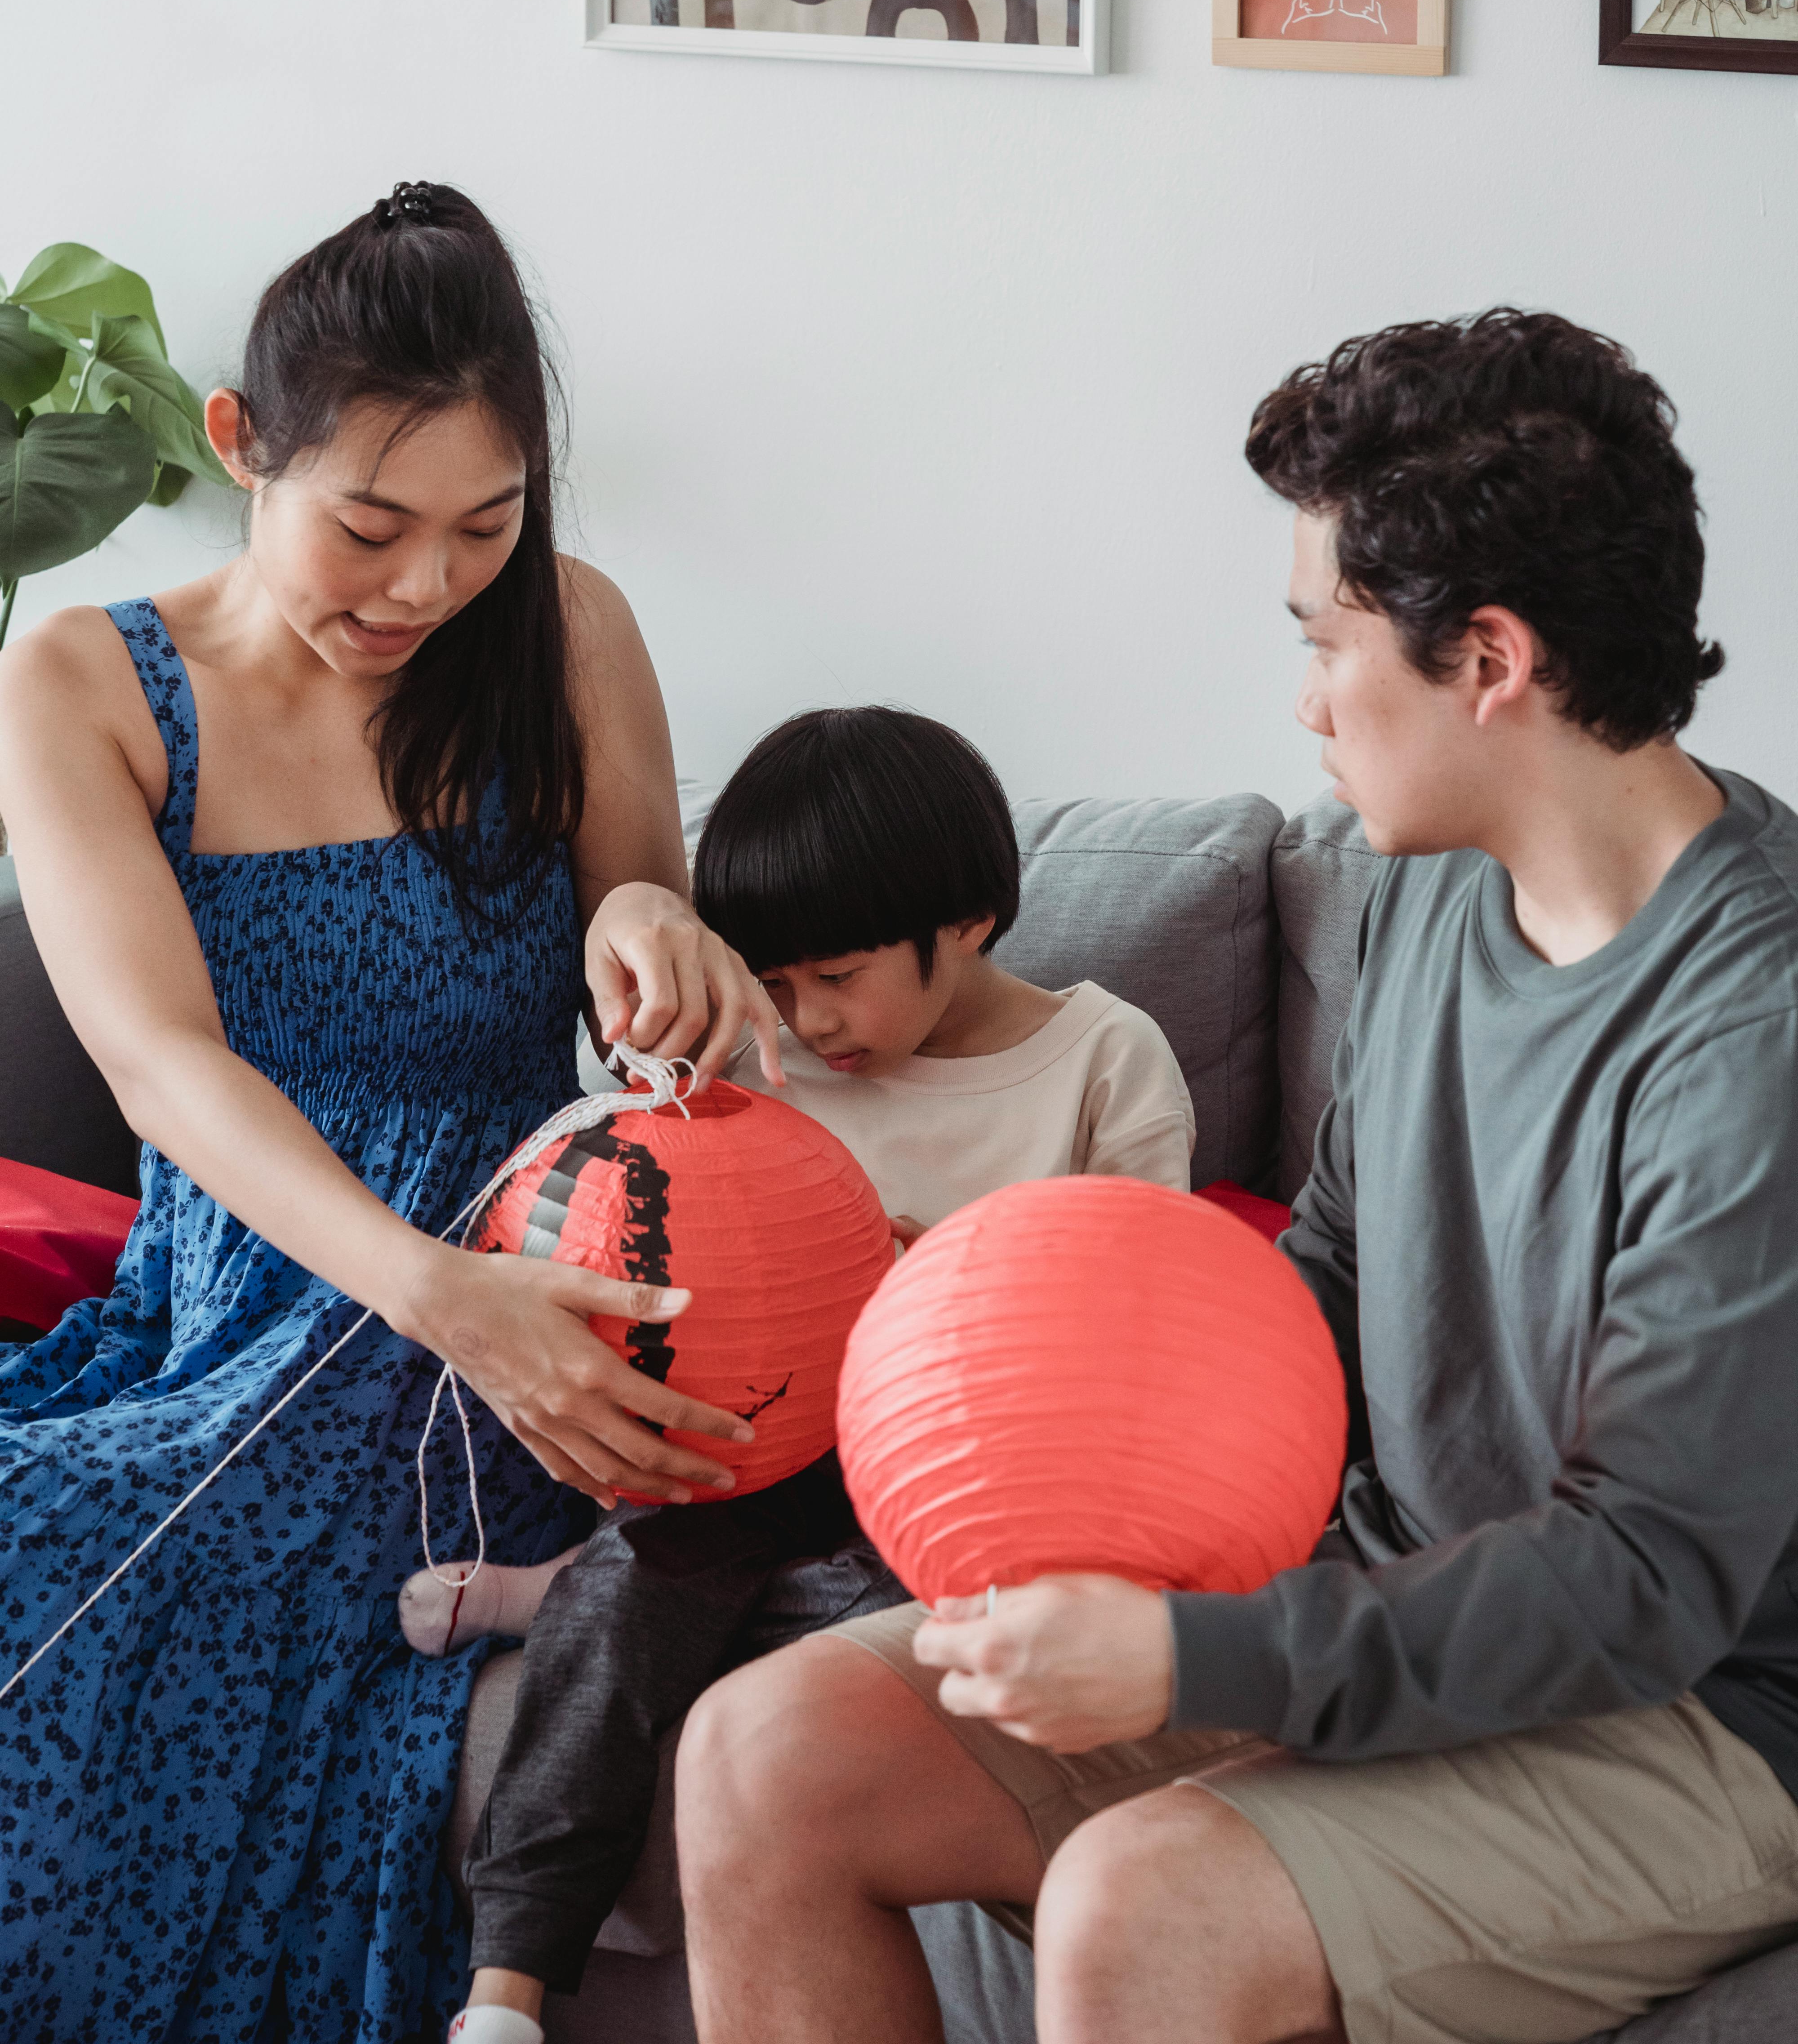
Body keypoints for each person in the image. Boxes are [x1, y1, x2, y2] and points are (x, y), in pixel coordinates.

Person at [674, 309, 1798, 2044]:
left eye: (1324, 638)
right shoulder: (1426, 877)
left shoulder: (1756, 1026)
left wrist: (1198, 1661)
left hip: (1691, 1711)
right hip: (1384, 1580)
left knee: (1143, 1905)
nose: (1305, 698)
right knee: (766, 1752)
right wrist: (1084, 1497)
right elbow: (1331, 1263)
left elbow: (1646, 1573)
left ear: (1488, 660)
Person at [0, 184, 782, 2044]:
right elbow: (160, 1068)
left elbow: (629, 921)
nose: (426, 586)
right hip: (271, 1281)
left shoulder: (569, 628)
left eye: (482, 528)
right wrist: (430, 1293)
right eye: (368, 526)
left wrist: (651, 918)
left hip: (522, 1279)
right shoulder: (83, 682)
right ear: (237, 449)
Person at [435, 705, 1194, 2044]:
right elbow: (611, 1153)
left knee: (882, 1614)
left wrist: (949, 1280)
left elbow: (1145, 1319)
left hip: (966, 1479)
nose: (809, 1019)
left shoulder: (1102, 1058)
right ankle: (507, 1986)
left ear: (968, 920)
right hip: (765, 1451)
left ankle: (550, 1593)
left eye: (838, 976)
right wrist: (652, 1006)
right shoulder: (756, 1050)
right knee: (630, 1602)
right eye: (772, 981)